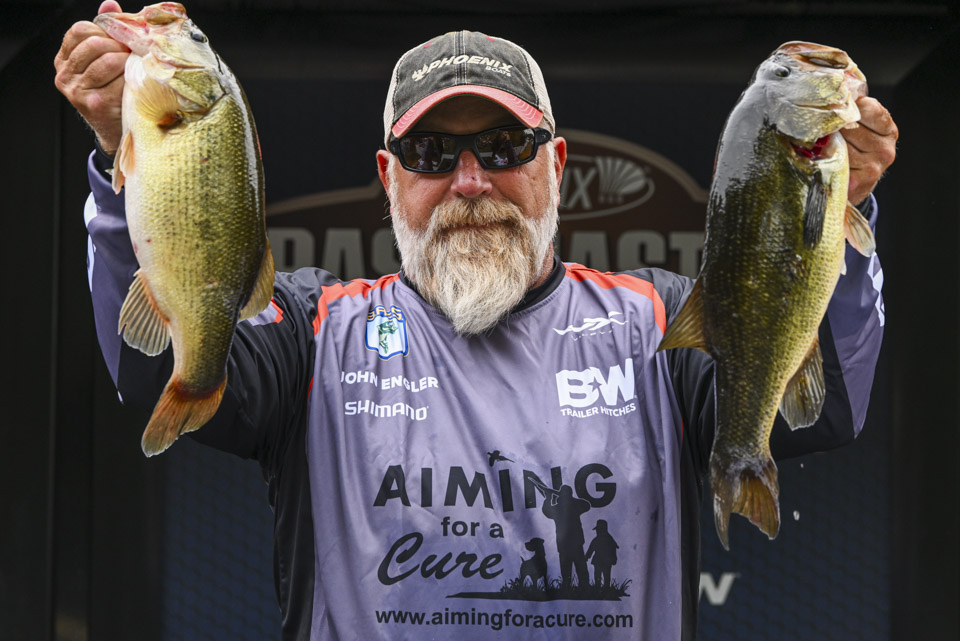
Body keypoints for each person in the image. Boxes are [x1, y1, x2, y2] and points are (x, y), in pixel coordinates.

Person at [54, 2, 898, 639]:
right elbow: (159, 367)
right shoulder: (315, 332)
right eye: (430, 154)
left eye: (503, 148)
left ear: (555, 164)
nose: (469, 181)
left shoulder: (659, 326)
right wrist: (128, 158)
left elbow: (822, 410)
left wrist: (835, 209)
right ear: (389, 177)